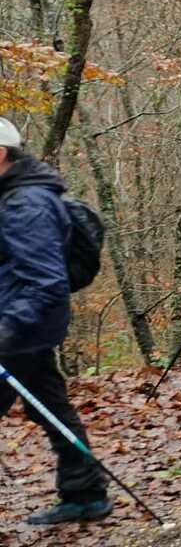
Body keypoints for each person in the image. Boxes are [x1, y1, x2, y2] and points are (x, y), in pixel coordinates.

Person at [0, 118, 112, 525]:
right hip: (25, 328)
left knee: (49, 405)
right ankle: (86, 494)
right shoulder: (15, 196)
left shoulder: (25, 205)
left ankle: (86, 493)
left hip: (18, 330)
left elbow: (46, 283)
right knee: (49, 406)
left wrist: (5, 330)